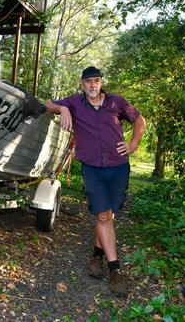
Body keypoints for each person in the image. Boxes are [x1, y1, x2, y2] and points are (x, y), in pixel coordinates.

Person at [45, 66, 145, 296]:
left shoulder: (116, 102)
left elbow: (140, 120)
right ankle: (115, 270)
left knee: (108, 215)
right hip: (92, 169)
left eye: (96, 81)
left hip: (118, 167)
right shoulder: (75, 102)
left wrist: (133, 144)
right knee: (103, 216)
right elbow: (47, 104)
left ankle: (96, 257)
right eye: (88, 81)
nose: (93, 85)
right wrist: (63, 108)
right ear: (82, 84)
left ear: (101, 83)